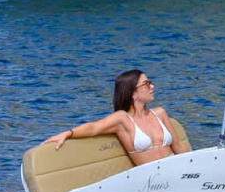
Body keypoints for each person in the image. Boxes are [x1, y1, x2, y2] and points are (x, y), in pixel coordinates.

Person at [43, 69, 191, 165]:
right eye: (146, 84)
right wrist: (69, 133)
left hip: (176, 169)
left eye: (150, 83)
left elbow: (178, 146)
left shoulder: (159, 113)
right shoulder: (122, 119)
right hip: (153, 180)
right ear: (132, 93)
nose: (152, 87)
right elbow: (94, 128)